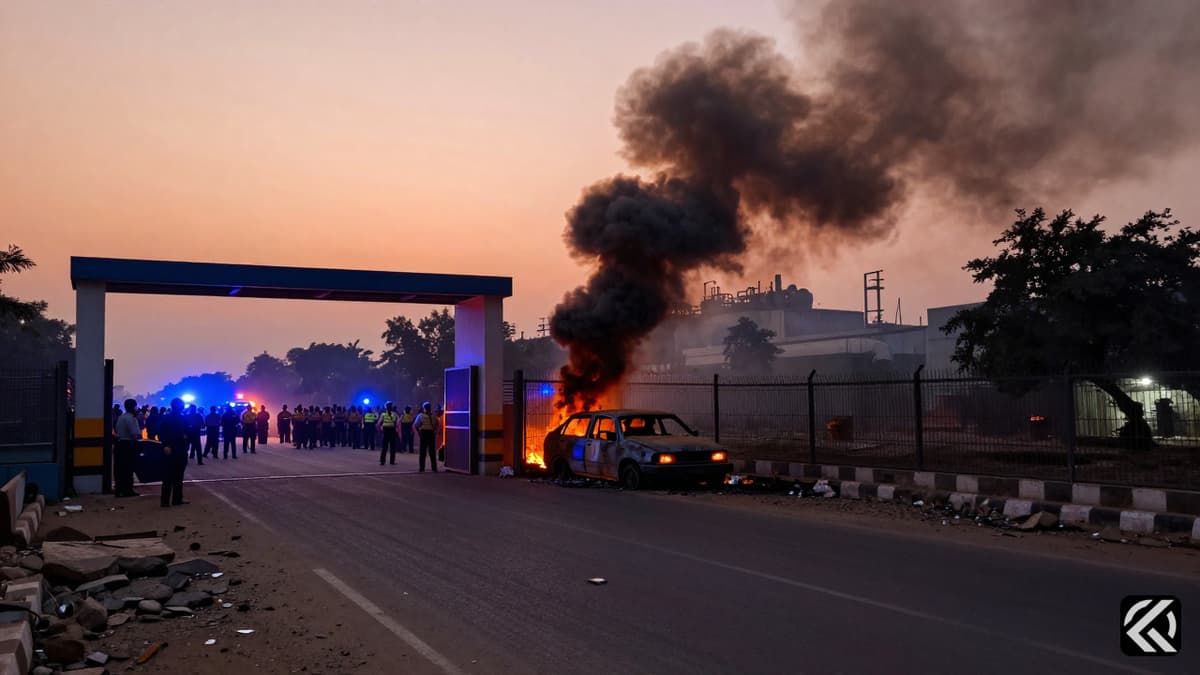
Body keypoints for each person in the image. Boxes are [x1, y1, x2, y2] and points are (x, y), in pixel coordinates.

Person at [158, 397, 190, 507]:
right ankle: (175, 499)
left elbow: (161, 433)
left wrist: (165, 445)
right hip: (177, 449)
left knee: (170, 477)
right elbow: (187, 433)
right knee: (176, 477)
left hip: (173, 449)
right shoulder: (180, 418)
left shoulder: (167, 418)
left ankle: (166, 500)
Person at [114, 398, 141, 497]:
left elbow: (116, 430)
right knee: (128, 469)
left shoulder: (121, 417)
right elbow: (135, 434)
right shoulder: (131, 418)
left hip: (120, 444)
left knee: (120, 469)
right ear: (134, 407)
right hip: (129, 445)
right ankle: (128, 490)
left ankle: (119, 489)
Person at [414, 401, 438, 472]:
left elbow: (416, 425)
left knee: (423, 452)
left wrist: (419, 432)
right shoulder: (434, 416)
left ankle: (422, 468)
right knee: (431, 452)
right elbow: (437, 425)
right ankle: (434, 468)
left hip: (424, 434)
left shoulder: (420, 416)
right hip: (430, 434)